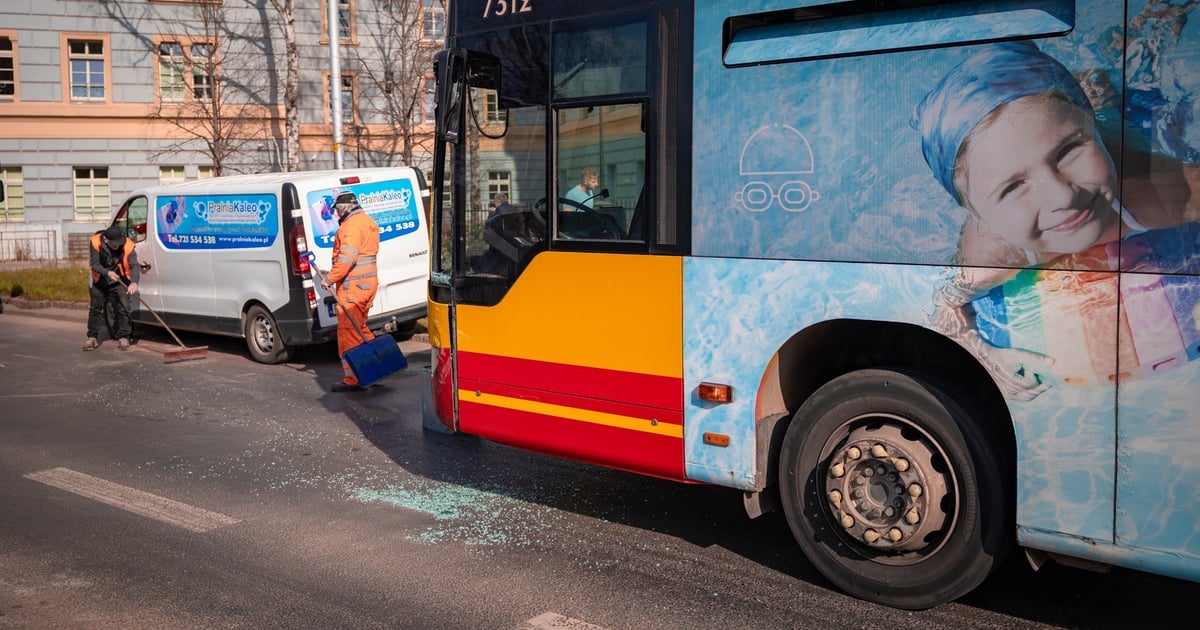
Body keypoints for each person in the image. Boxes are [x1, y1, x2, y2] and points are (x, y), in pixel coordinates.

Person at [913, 41, 1200, 399]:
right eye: (1013, 187)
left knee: (1110, 96)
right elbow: (945, 305)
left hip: (1112, 135)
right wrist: (986, 357)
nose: (1063, 197)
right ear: (978, 215)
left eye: (1069, 151)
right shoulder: (993, 252)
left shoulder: (1148, 195)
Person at [322, 191, 381, 392]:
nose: (337, 215)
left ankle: (353, 379)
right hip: (367, 285)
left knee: (348, 332)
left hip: (353, 288)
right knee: (360, 328)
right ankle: (375, 368)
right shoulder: (368, 222)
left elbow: (347, 258)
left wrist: (330, 278)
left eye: (337, 211)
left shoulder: (350, 226)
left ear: (344, 208)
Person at [85, 226, 140, 351]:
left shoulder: (128, 245)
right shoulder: (95, 242)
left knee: (123, 307)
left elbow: (134, 265)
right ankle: (92, 337)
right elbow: (94, 264)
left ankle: (124, 337)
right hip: (100, 280)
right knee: (96, 308)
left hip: (119, 280)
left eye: (119, 243)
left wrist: (134, 282)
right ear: (105, 240)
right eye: (114, 244)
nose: (117, 246)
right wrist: (108, 273)